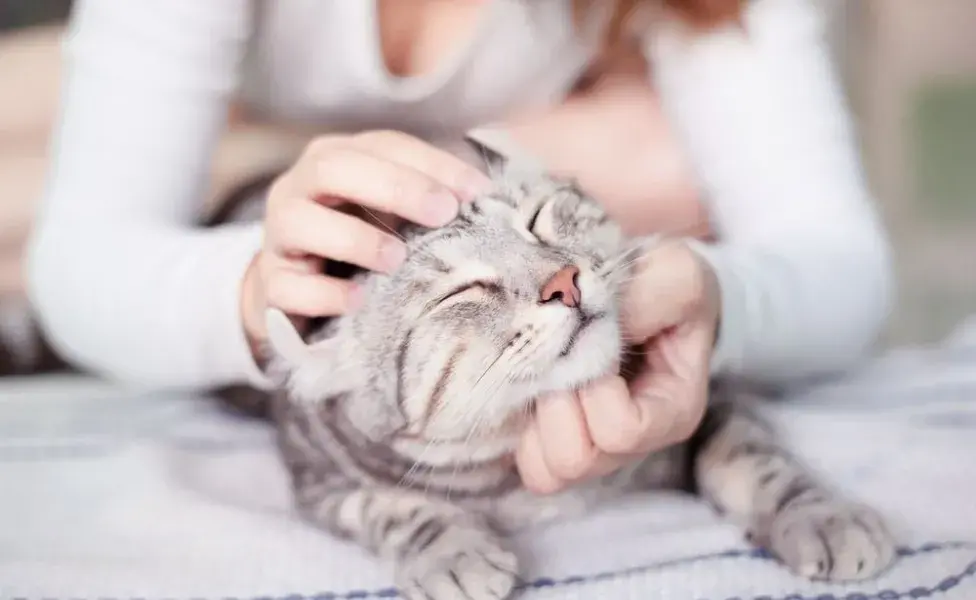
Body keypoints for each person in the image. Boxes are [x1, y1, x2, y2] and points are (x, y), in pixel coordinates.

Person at [21, 0, 892, 494]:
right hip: (242, 195)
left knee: (660, 159)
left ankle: (255, 151)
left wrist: (712, 291)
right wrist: (257, 288)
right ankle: (254, 154)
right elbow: (77, 268)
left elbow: (844, 269)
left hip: (429, 239)